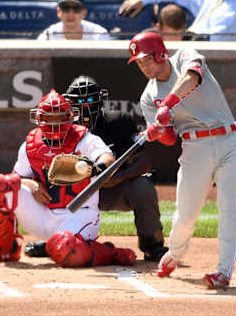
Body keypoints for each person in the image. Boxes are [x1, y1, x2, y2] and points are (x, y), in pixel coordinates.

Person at [127, 31, 236, 289]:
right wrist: (158, 131)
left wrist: (168, 104)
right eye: (139, 62)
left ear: (160, 53)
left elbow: (193, 77)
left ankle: (224, 270)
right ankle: (175, 254)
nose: (144, 65)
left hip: (230, 141)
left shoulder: (184, 56)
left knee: (230, 210)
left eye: (147, 59)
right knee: (186, 214)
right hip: (195, 147)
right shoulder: (148, 96)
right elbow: (171, 139)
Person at [0, 89, 137, 268]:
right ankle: (7, 249)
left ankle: (111, 253)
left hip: (79, 215)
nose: (54, 123)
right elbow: (16, 178)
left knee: (65, 251)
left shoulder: (84, 138)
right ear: (39, 119)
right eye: (49, 118)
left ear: (69, 117)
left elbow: (108, 158)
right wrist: (32, 184)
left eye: (59, 117)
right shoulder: (30, 144)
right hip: (42, 214)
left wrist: (95, 169)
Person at [25, 75, 169, 262]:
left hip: (111, 189)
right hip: (73, 192)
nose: (85, 108)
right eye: (79, 102)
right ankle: (56, 242)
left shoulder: (119, 122)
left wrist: (119, 177)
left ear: (101, 101)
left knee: (143, 186)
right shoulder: (61, 127)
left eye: (91, 101)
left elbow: (144, 160)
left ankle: (153, 245)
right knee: (52, 182)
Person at [119, 0, 236, 41]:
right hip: (192, 53)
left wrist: (176, 38)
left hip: (220, 68)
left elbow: (206, 40)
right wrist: (142, 0)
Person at [37, 0, 111, 41]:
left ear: (84, 13)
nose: (70, 14)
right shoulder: (49, 35)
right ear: (58, 12)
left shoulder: (99, 34)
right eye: (65, 8)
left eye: (76, 9)